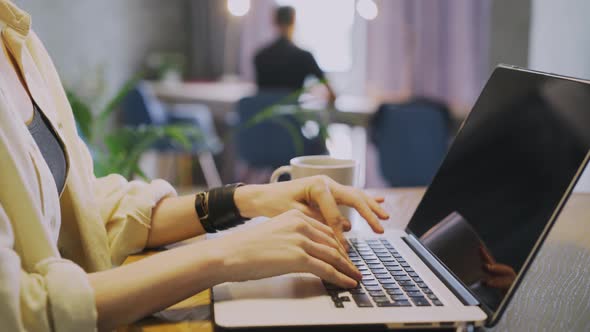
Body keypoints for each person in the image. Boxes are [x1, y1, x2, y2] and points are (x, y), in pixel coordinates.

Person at [0, 1, 388, 331]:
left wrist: (243, 199)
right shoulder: (304, 56)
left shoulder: (18, 39)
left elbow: (83, 210)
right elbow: (18, 310)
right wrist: (227, 255)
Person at [254, 6, 337, 102]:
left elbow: (262, 95)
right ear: (294, 21)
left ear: (274, 21)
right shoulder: (305, 57)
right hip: (293, 115)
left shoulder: (260, 56)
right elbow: (332, 94)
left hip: (263, 116)